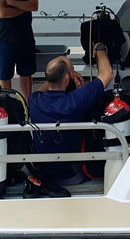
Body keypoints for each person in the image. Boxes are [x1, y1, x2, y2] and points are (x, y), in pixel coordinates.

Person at [28, 42, 114, 186]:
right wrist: (99, 48)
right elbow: (107, 74)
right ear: (67, 79)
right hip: (71, 177)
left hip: (44, 174)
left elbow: (43, 88)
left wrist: (66, 74)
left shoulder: (34, 100)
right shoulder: (76, 100)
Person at [0, 0, 38, 100]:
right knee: (4, 75)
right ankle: (7, 104)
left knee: (26, 74)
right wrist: (24, 7)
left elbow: (34, 5)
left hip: (26, 36)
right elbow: (3, 13)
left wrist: (11, 2)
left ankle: (28, 105)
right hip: (6, 37)